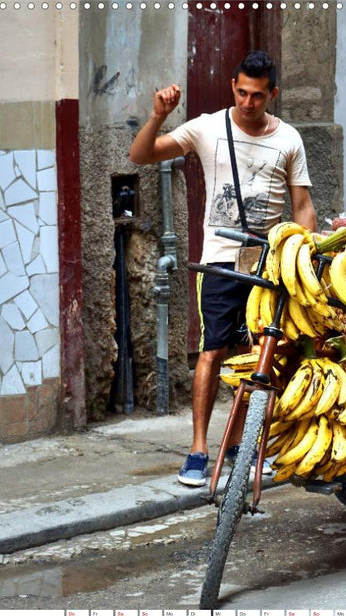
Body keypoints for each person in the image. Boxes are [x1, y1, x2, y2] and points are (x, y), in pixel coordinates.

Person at [129, 50, 316, 487]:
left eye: (257, 95)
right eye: (241, 92)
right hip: (218, 261)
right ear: (233, 86)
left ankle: (240, 445)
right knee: (212, 352)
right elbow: (140, 155)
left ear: (273, 94)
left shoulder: (288, 139)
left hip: (267, 264)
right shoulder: (207, 127)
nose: (248, 102)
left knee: (258, 358)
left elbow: (303, 206)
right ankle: (197, 450)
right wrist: (158, 116)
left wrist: (300, 252)